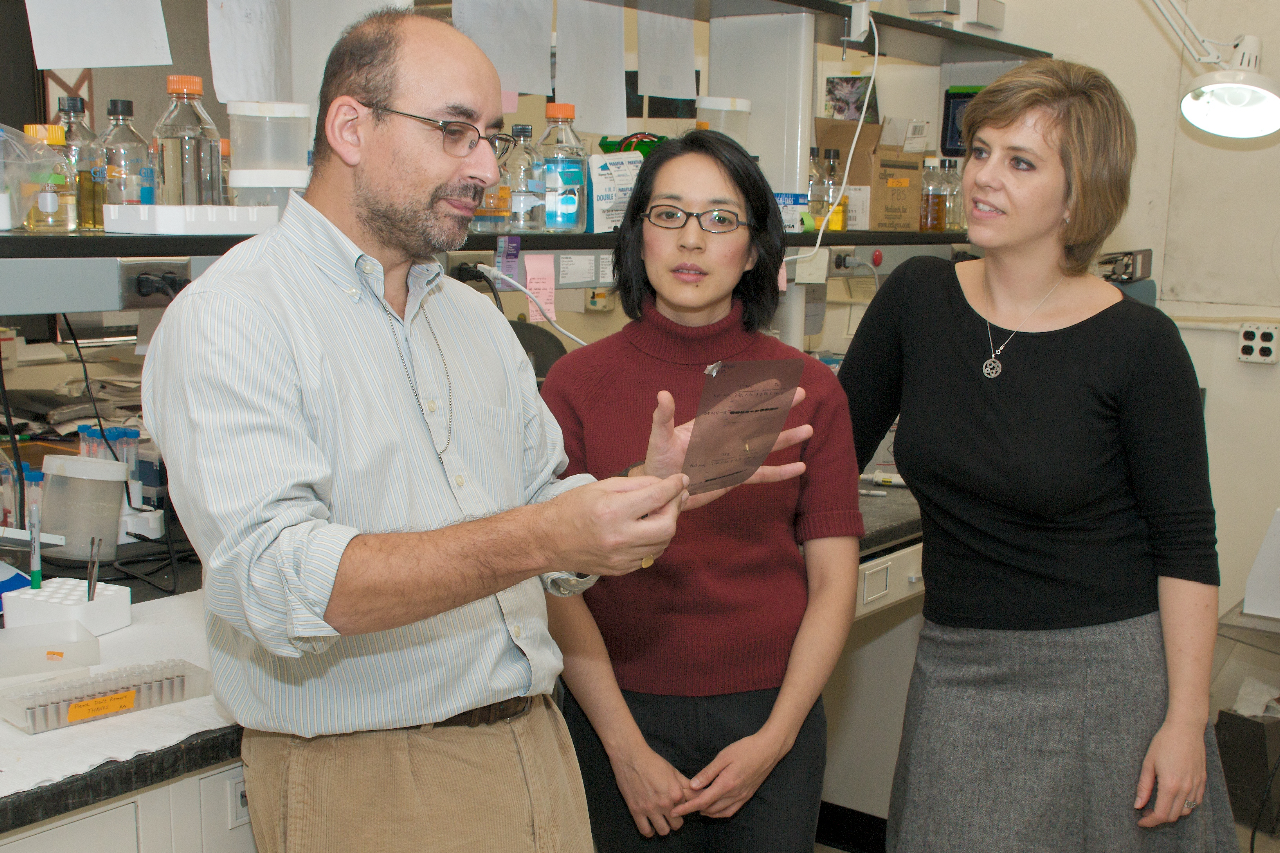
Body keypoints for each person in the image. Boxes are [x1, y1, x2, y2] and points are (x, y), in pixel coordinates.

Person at [140, 13, 809, 853]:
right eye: (456, 132)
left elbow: (539, 508)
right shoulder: (235, 319)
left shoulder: (470, 317)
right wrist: (537, 534)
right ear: (351, 127)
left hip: (532, 743)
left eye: (490, 136)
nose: (487, 167)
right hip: (372, 777)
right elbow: (278, 580)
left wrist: (631, 497)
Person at [838, 59, 1238, 852]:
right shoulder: (918, 299)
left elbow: (1187, 549)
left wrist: (1185, 720)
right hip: (958, 660)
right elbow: (825, 456)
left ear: (1079, 193)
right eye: (979, 151)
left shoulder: (1139, 344)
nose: (982, 178)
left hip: (1108, 677)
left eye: (1020, 163)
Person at [540, 129, 864, 852]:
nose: (691, 240)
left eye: (720, 218)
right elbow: (556, 582)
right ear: (638, 235)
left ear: (752, 250)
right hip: (616, 713)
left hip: (768, 714)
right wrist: (624, 749)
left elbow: (834, 584)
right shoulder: (576, 385)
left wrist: (775, 741)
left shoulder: (804, 387)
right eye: (668, 215)